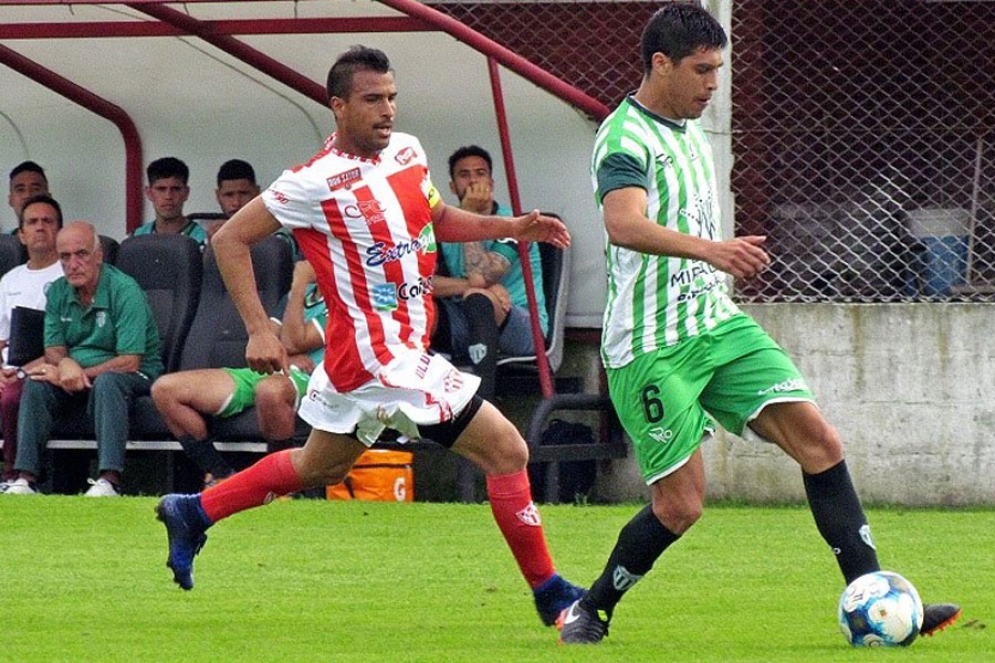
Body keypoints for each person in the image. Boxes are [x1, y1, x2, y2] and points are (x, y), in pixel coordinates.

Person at [556, 4, 960, 645]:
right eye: (703, 70)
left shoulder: (690, 130)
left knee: (820, 443)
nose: (714, 84)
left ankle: (875, 599)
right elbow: (622, 224)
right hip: (651, 347)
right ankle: (593, 607)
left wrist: (712, 266)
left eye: (719, 69)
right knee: (682, 506)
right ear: (660, 64)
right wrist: (713, 250)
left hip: (715, 324)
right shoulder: (624, 137)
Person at [155, 45, 583, 628]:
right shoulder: (309, 182)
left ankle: (194, 510)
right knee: (508, 450)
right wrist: (260, 328)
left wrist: (513, 226)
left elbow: (436, 220)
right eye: (372, 99)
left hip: (368, 359)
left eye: (392, 97)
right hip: (382, 362)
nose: (387, 110)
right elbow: (229, 240)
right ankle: (552, 594)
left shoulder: (407, 152)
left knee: (319, 467)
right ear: (338, 106)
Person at [2, 221, 163, 496]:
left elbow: (130, 360)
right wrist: (65, 365)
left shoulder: (125, 290)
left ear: (98, 255)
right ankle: (25, 479)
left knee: (109, 382)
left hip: (135, 376)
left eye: (82, 254)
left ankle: (109, 480)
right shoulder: (57, 291)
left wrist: (80, 374)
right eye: (65, 257)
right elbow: (53, 348)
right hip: (76, 373)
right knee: (38, 382)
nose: (73, 264)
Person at [151, 260, 326, 487]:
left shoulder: (347, 300)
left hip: (313, 378)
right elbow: (268, 342)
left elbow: (294, 340)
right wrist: (287, 354)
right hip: (272, 370)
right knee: (165, 390)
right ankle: (220, 475)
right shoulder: (297, 297)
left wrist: (300, 284)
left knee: (270, 390)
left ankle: (281, 485)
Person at [432, 145, 547, 402]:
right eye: (464, 175)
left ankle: (484, 402)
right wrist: (467, 286)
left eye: (480, 173)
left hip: (523, 327)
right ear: (452, 187)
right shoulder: (440, 228)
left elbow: (479, 277)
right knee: (411, 302)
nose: (473, 181)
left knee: (477, 296)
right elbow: (422, 283)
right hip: (465, 319)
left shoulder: (516, 223)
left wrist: (470, 214)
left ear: (491, 182)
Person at [0, 194, 64, 484]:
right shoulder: (9, 279)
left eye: (47, 221)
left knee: (13, 398)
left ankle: (15, 478)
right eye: (32, 222)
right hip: (8, 369)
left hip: (45, 367)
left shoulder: (69, 274)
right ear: (21, 234)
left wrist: (21, 372)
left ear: (59, 231)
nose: (40, 227)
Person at [131, 157, 208, 248]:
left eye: (176, 189)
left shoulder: (203, 240)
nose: (168, 196)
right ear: (149, 193)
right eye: (161, 189)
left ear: (186, 193)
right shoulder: (135, 238)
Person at [207, 159, 262, 241]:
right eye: (228, 195)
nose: (236, 203)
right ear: (218, 196)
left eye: (244, 194)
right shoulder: (208, 233)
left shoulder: (277, 233)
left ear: (257, 192)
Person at [7, 161, 49, 233]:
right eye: (20, 190)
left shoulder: (69, 240)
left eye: (35, 189)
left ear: (48, 197)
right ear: (10, 200)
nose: (28, 195)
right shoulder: (3, 242)